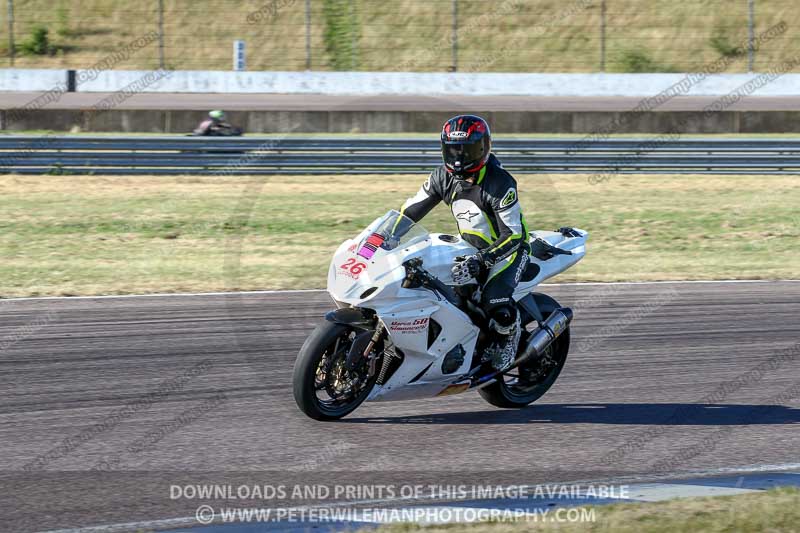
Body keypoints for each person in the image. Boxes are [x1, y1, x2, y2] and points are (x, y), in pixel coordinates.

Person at [397, 115, 531, 372]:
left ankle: (508, 338)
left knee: (494, 300)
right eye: (454, 149)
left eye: (467, 149)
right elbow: (409, 211)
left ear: (484, 148)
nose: (459, 157)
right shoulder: (441, 177)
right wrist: (380, 237)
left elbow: (513, 235)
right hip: (469, 245)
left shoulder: (500, 183)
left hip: (508, 250)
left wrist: (482, 260)